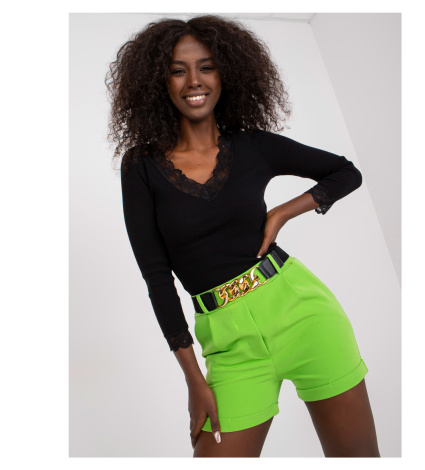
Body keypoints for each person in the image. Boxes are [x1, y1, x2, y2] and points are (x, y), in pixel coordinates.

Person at [105, 15, 380, 458]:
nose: (194, 81)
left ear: (226, 73)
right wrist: (194, 380)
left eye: (207, 67)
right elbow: (156, 276)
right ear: (159, 81)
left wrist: (282, 213)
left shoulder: (253, 146)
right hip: (229, 345)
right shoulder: (141, 166)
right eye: (178, 70)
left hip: (303, 315)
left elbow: (345, 172)